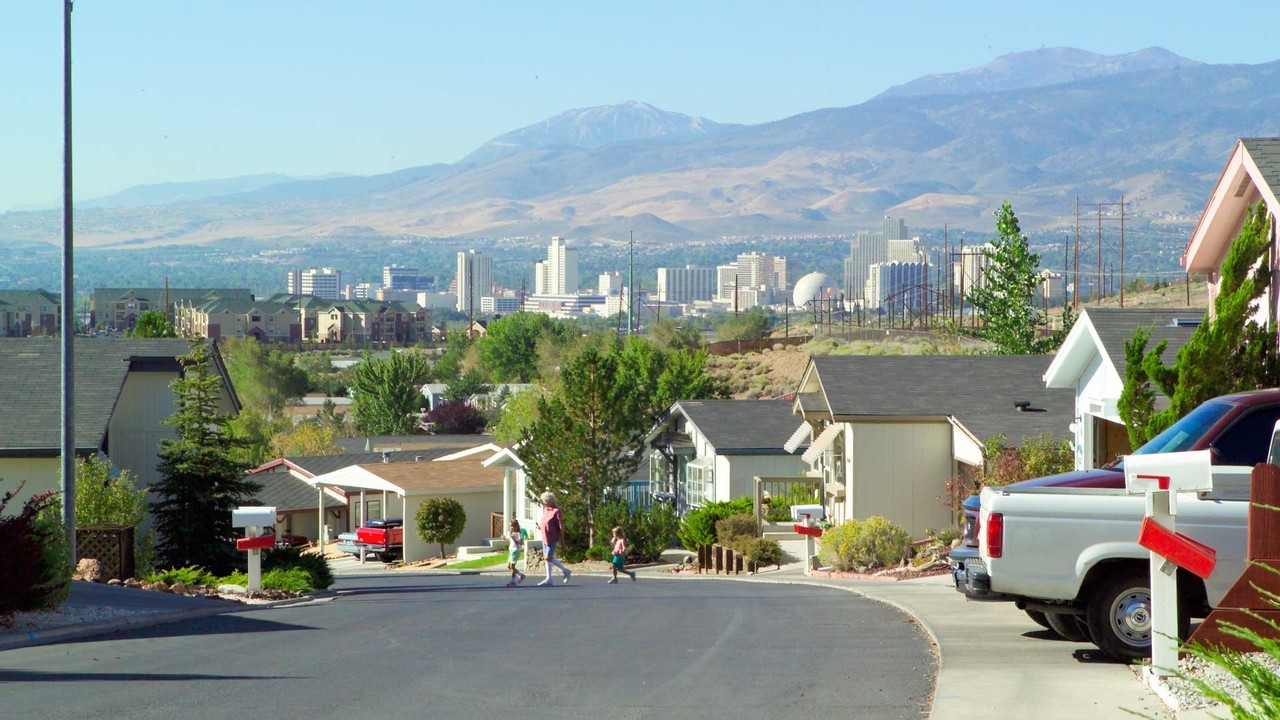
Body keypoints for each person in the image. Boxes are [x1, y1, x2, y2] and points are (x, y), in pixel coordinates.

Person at [537, 491, 571, 586]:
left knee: (548, 557)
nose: (544, 502)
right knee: (547, 559)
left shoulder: (557, 511)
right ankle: (549, 579)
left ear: (550, 500)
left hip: (553, 537)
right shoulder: (546, 510)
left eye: (546, 500)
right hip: (545, 537)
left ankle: (565, 571)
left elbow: (561, 527)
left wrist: (562, 541)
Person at [505, 519, 527, 587]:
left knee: (512, 566)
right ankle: (521, 575)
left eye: (513, 526)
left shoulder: (518, 534)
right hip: (511, 550)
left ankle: (513, 581)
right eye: (511, 526)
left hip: (515, 551)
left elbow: (522, 542)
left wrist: (516, 541)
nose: (512, 528)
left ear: (517, 527)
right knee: (509, 566)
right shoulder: (512, 533)